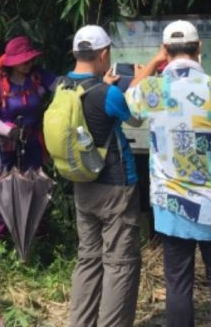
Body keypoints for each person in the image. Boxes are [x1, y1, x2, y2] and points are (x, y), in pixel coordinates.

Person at [125, 20, 211, 327]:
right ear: (199, 47)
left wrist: (152, 63)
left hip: (171, 203)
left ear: (166, 51)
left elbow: (130, 102)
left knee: (178, 285)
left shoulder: (152, 89)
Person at [64, 24, 143, 327]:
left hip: (82, 184)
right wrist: (135, 83)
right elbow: (134, 118)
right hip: (116, 187)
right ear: (104, 53)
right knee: (119, 263)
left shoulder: (62, 87)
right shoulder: (106, 93)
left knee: (88, 258)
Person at [0, 35, 57, 239]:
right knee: (4, 187)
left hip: (32, 142)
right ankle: (0, 237)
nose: (29, 64)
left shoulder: (38, 77)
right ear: (12, 63)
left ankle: (37, 233)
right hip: (6, 144)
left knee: (36, 184)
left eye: (30, 59)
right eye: (24, 61)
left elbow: (61, 87)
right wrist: (10, 131)